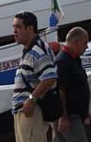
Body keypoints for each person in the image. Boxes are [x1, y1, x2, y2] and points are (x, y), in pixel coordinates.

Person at [12, 11, 57, 142]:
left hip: (31, 112)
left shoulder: (37, 50)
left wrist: (31, 99)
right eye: (14, 27)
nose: (14, 31)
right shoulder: (31, 49)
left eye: (18, 27)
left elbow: (50, 77)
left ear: (30, 28)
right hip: (24, 112)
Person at [55, 27, 91, 142]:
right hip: (69, 116)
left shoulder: (74, 59)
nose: (87, 46)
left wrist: (85, 112)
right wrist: (63, 117)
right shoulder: (63, 61)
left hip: (75, 114)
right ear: (76, 42)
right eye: (85, 43)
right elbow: (60, 90)